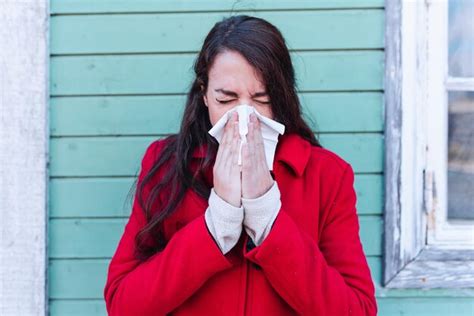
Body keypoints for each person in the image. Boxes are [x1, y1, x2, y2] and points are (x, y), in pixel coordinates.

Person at [103, 14, 377, 316]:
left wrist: (266, 218)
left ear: (281, 97)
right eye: (226, 98)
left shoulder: (327, 175)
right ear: (205, 94)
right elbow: (123, 305)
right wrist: (215, 226)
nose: (243, 118)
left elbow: (357, 310)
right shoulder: (165, 165)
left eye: (261, 99)